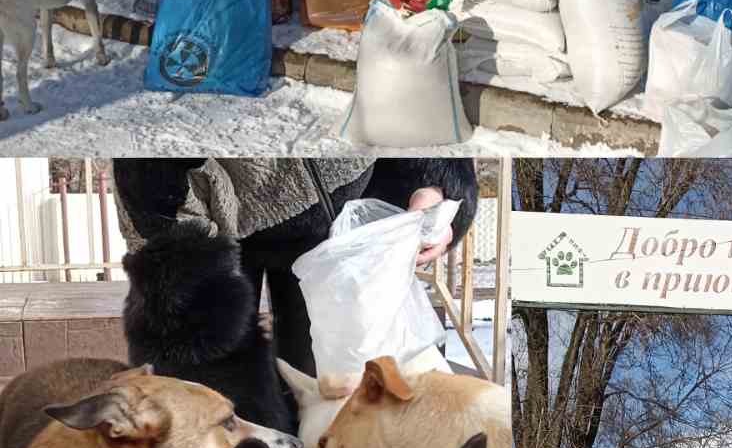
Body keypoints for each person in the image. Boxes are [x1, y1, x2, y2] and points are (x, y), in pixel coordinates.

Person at [111, 158, 477, 380]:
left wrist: (433, 183)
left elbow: (408, 84)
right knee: (204, 391)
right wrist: (181, 255)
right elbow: (148, 168)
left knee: (328, 383)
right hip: (207, 219)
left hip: (336, 224)